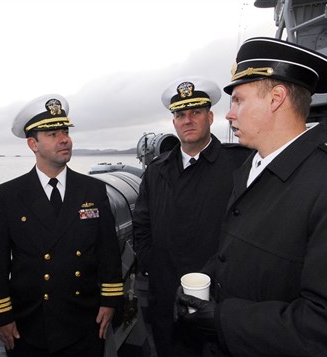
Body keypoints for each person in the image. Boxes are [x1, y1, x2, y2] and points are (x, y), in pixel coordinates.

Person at [174, 37, 327, 356]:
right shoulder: (250, 167)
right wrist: (205, 280)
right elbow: (235, 250)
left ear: (276, 99)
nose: (228, 115)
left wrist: (224, 318)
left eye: (238, 100)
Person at [0, 93, 124, 357]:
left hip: (85, 320)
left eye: (65, 131)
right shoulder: (8, 195)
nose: (64, 139)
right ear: (32, 144)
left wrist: (110, 301)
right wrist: (1, 316)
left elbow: (108, 251)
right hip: (29, 325)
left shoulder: (92, 189)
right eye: (52, 133)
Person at [132, 77, 252, 356]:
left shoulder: (238, 164)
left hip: (220, 297)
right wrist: (154, 266)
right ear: (174, 123)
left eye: (195, 112)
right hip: (166, 292)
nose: (188, 120)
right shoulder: (156, 170)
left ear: (210, 117)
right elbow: (142, 224)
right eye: (180, 114)